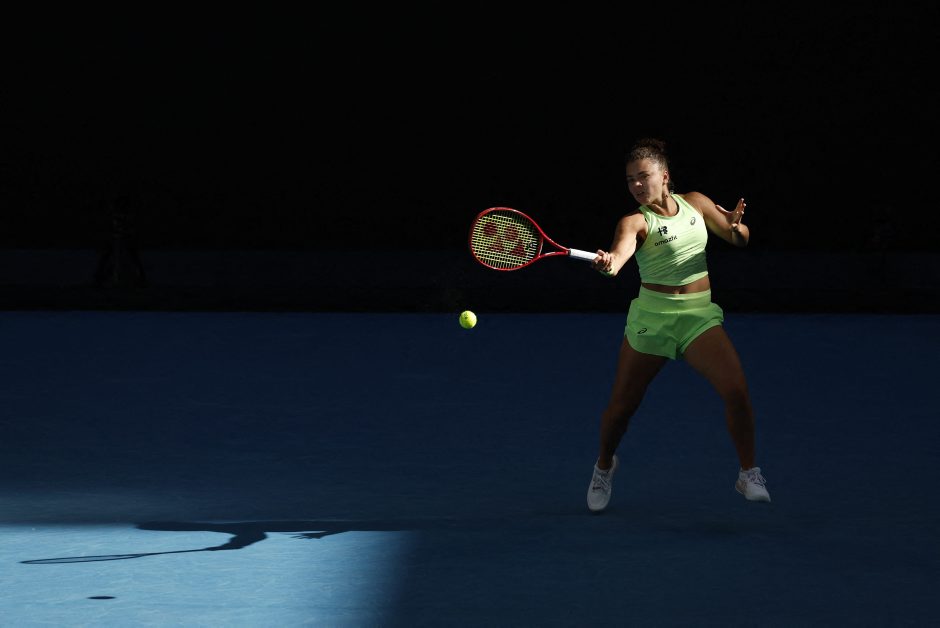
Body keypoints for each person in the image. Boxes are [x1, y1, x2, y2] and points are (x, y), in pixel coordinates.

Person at [586, 137, 770, 512]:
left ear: (665, 176)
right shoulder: (634, 222)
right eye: (630, 180)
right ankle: (604, 466)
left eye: (644, 176)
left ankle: (748, 473)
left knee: (736, 390)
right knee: (621, 408)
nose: (637, 184)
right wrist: (609, 264)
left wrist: (736, 227)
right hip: (652, 320)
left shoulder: (696, 204)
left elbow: (739, 238)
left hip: (698, 316)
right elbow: (619, 258)